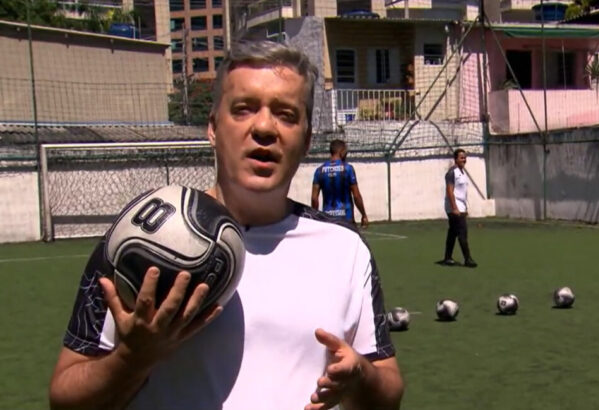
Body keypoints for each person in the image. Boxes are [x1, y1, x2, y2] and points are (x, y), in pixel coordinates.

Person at [49, 40, 403, 410]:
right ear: (214, 128)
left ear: (307, 139)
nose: (265, 127)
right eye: (244, 109)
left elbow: (389, 390)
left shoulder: (344, 248)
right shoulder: (141, 239)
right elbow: (65, 399)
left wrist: (360, 374)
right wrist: (135, 357)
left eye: (285, 114)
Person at [311, 139, 368, 228]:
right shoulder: (348, 169)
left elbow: (314, 199)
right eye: (345, 151)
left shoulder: (319, 171)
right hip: (346, 217)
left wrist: (315, 217)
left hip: (328, 218)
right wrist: (363, 214)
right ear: (341, 151)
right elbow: (356, 196)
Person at [440, 148, 478, 268]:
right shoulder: (452, 172)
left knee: (453, 232)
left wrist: (464, 207)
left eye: (465, 157)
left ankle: (447, 257)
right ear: (456, 159)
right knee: (462, 232)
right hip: (453, 207)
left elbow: (462, 192)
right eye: (461, 157)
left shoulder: (463, 172)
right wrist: (454, 208)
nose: (464, 159)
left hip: (461, 207)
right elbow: (450, 191)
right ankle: (468, 259)